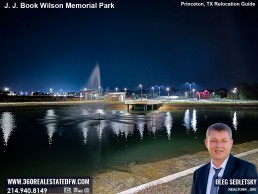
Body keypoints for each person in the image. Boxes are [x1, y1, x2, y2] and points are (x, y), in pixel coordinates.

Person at [191, 123, 258, 194]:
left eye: (224, 141)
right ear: (206, 143)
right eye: (214, 140)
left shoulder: (246, 170)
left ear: (231, 143)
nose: (219, 145)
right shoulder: (198, 173)